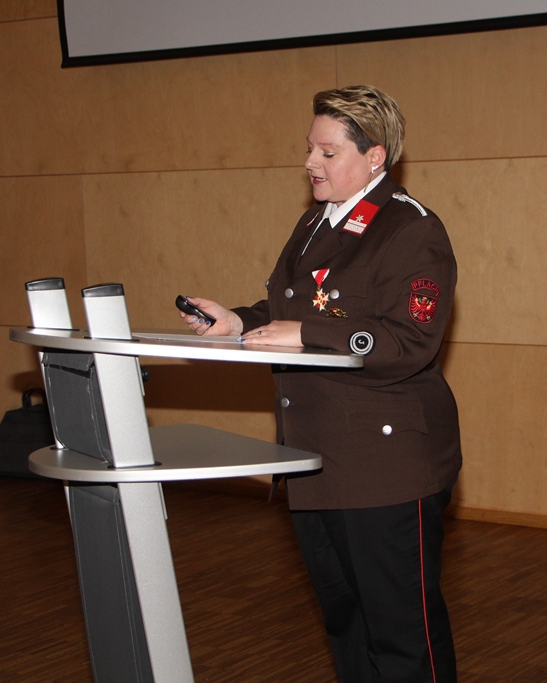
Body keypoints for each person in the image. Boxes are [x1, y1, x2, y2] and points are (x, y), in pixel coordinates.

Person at [179, 84, 461, 682]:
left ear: (375, 156)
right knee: (347, 627)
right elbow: (298, 309)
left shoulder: (411, 229)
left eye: (328, 153)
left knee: (402, 637)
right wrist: (239, 321)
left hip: (383, 465)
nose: (310, 162)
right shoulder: (317, 220)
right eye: (310, 148)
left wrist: (306, 333)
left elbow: (409, 341)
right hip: (315, 459)